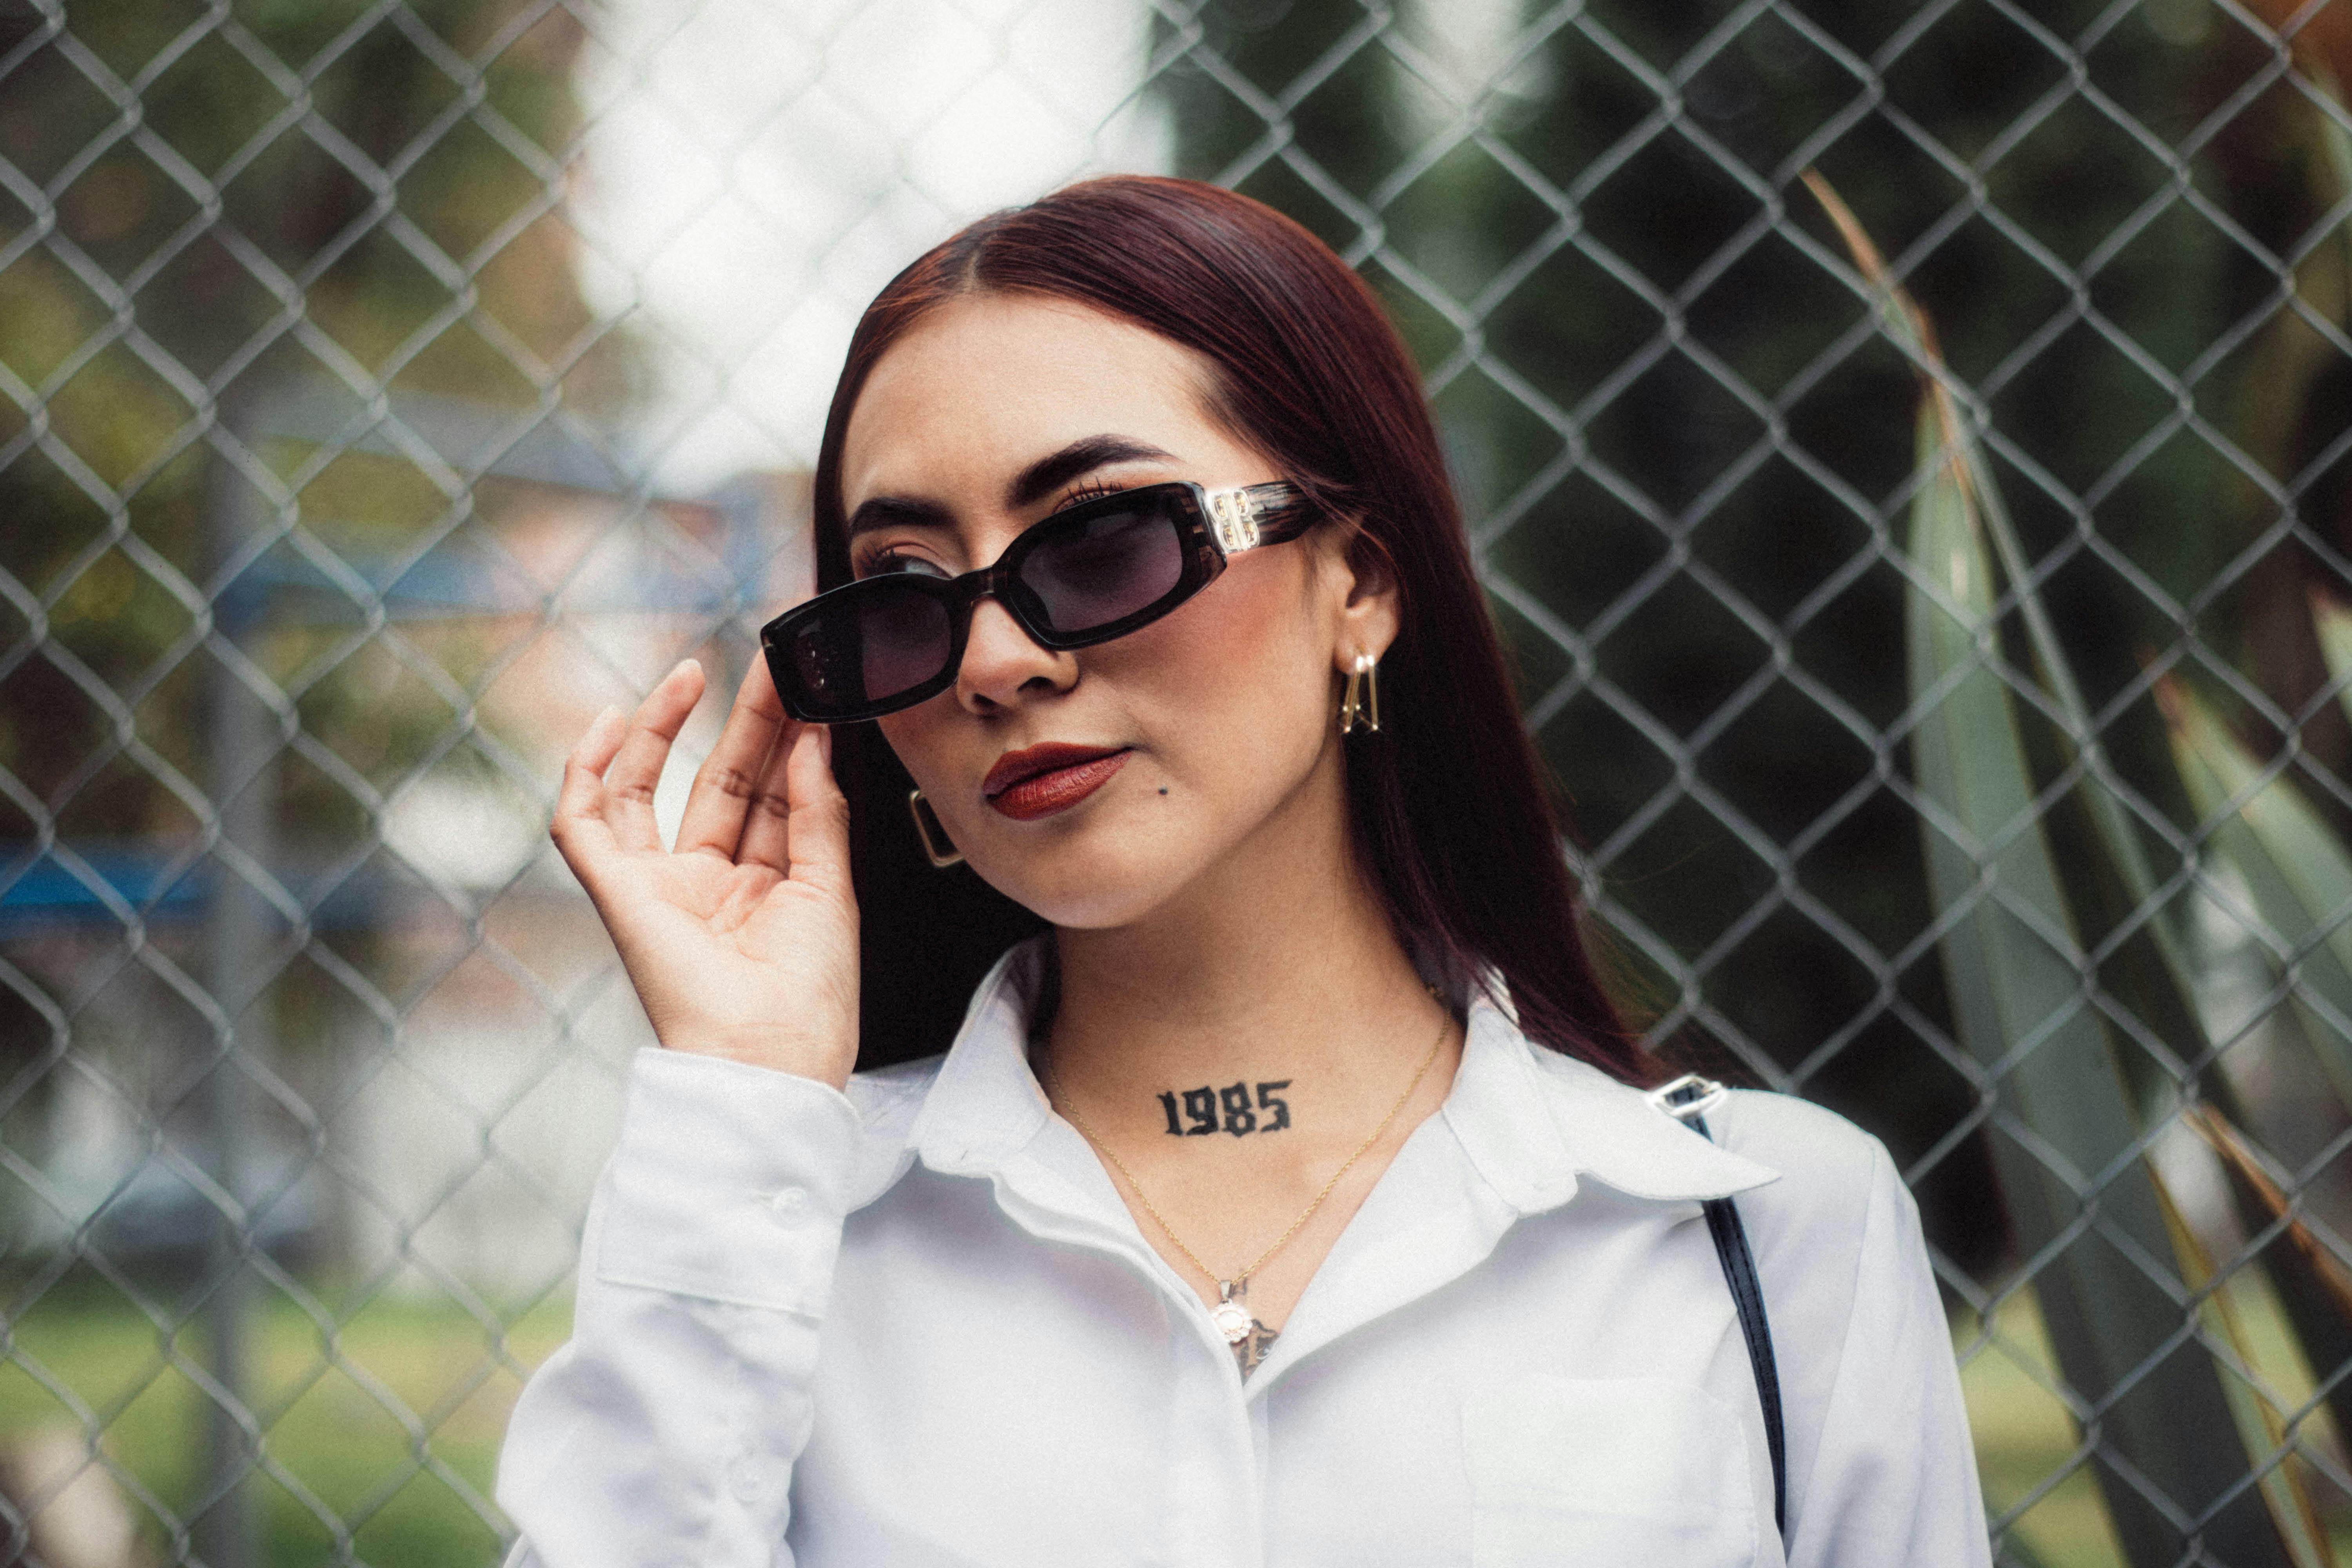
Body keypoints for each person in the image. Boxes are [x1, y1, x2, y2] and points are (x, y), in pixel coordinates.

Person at [494, 175, 1989, 1567]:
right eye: (904, 595)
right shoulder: (772, 1237)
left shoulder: (1766, 1231)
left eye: (1104, 541)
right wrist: (748, 1096)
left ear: (1362, 579)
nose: (1002, 663)